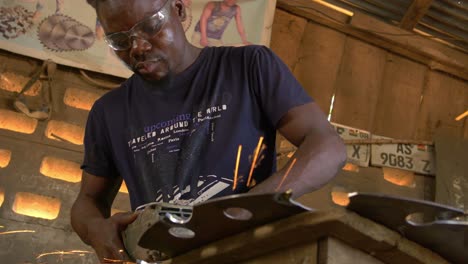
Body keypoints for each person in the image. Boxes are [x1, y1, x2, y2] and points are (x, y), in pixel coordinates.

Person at [71, 0, 347, 262]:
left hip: (250, 255)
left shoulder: (248, 67)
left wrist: (245, 209)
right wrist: (95, 228)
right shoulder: (109, 112)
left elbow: (326, 146)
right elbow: (88, 199)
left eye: (150, 26)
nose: (138, 47)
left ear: (178, 8)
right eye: (120, 41)